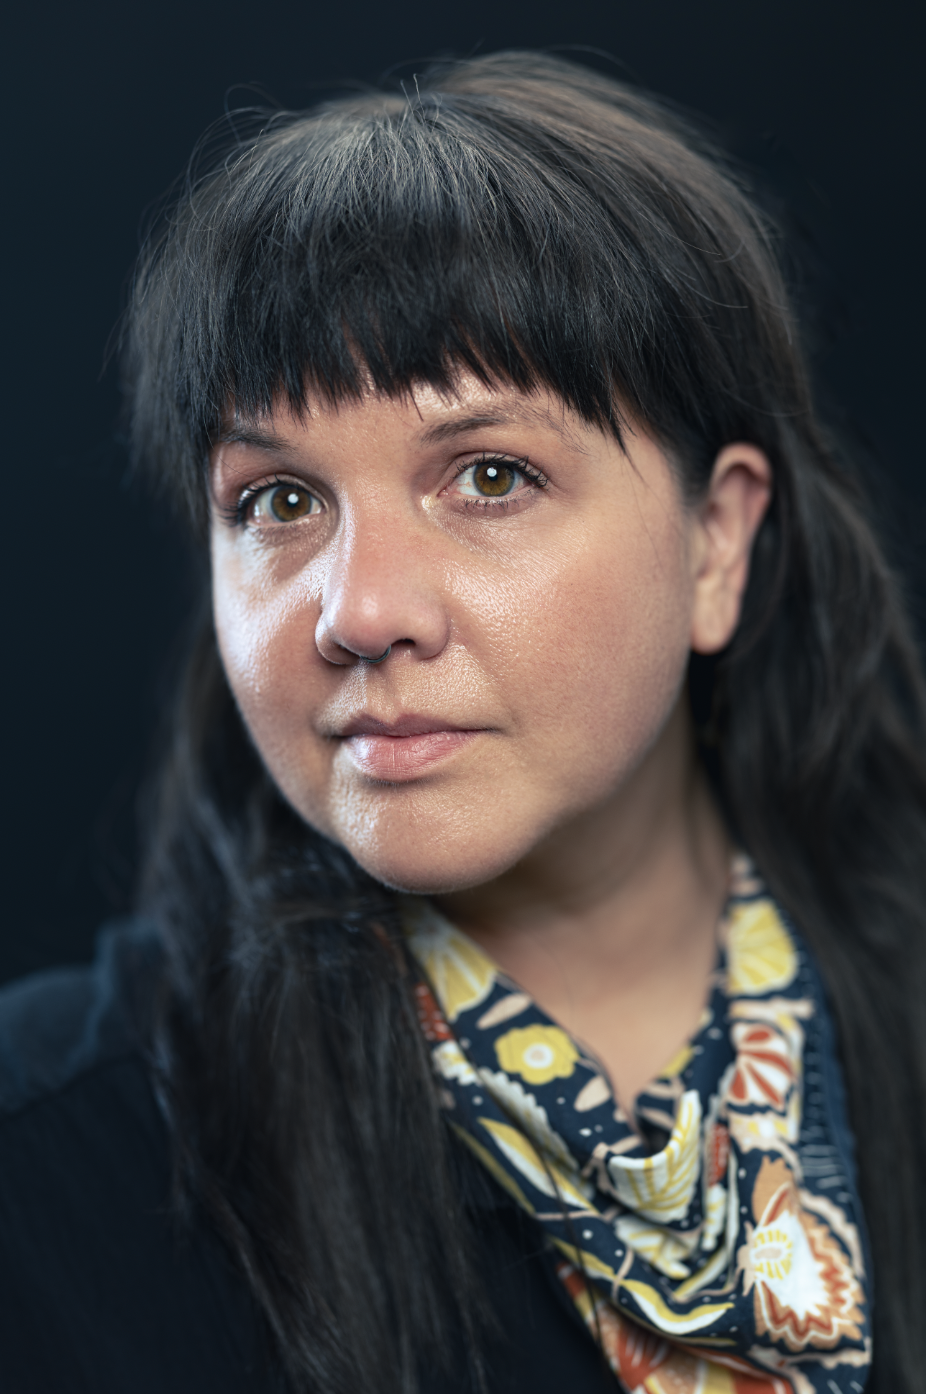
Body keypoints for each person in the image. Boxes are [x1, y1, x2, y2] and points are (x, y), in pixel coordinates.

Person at [0, 50, 923, 1394]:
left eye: (488, 475)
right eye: (277, 502)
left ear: (715, 542)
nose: (359, 610)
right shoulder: (44, 1166)